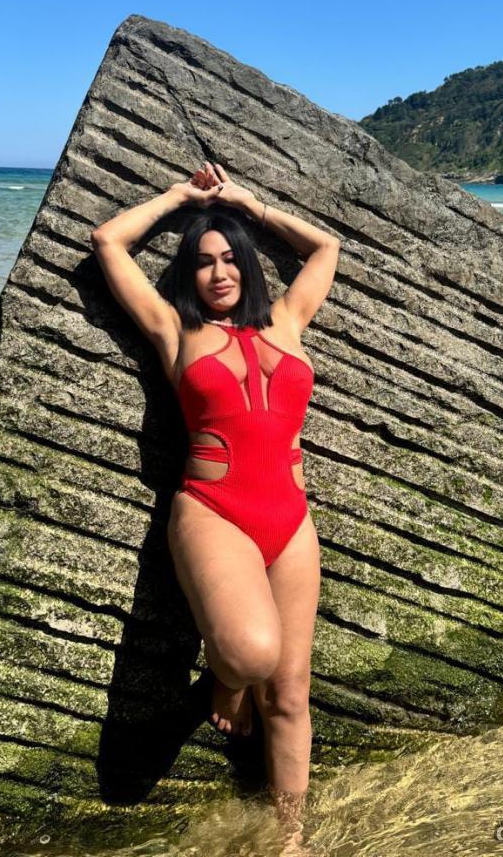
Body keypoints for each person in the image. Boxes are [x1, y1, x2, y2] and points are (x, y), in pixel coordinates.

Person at [91, 161, 340, 845]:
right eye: (203, 262)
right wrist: (180, 196)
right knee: (254, 657)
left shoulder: (288, 320)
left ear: (249, 266)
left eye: (230, 259)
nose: (219, 272)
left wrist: (248, 205)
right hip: (212, 510)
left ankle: (290, 838)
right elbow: (109, 240)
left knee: (290, 693)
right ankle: (229, 678)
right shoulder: (174, 329)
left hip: (291, 519)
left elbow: (326, 248)